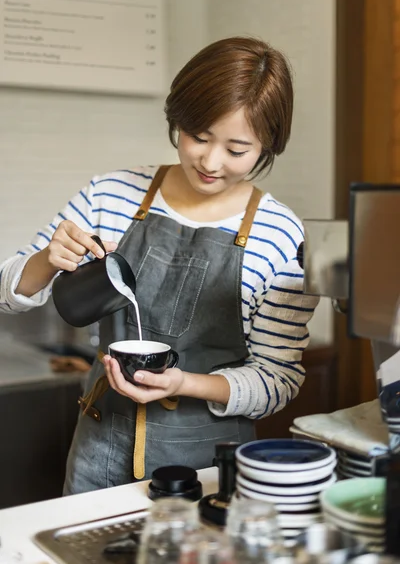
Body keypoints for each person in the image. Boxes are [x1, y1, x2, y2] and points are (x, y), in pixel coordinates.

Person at [0, 36, 319, 494]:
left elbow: (277, 379)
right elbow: (7, 294)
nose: (210, 162)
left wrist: (183, 383)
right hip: (97, 452)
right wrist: (47, 260)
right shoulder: (111, 194)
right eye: (199, 137)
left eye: (236, 149)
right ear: (177, 121)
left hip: (210, 470)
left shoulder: (280, 234)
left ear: (269, 143)